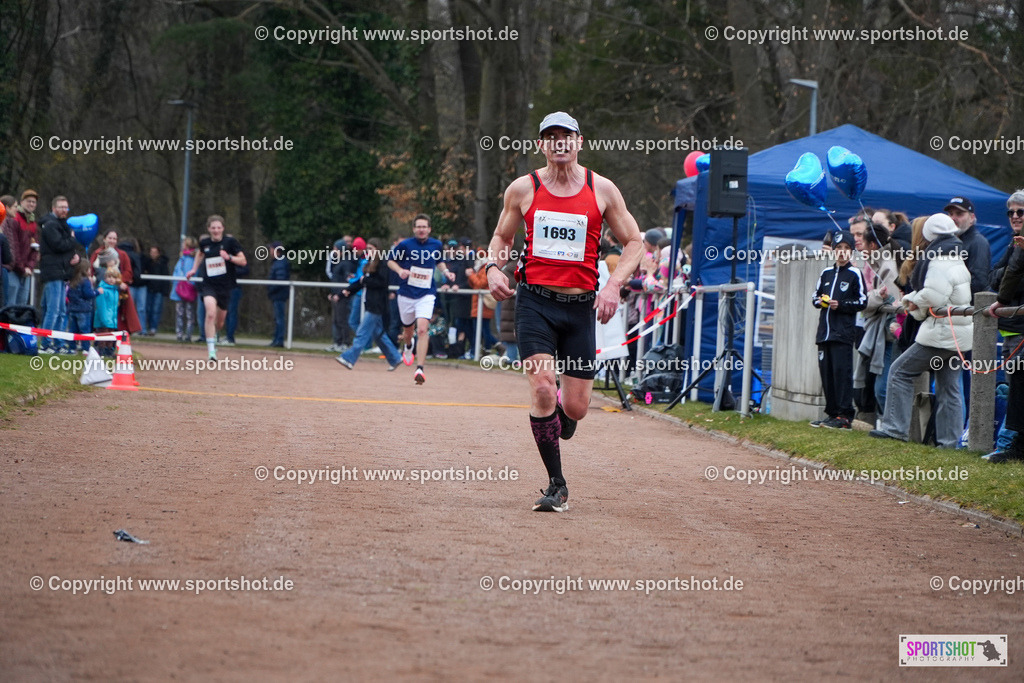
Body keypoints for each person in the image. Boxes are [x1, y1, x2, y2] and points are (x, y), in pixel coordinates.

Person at [485, 111, 643, 512]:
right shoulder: (524, 188)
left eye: (566, 136)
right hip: (535, 302)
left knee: (576, 408)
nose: (559, 143)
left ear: (579, 141)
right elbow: (502, 236)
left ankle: (562, 412)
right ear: (541, 144)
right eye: (550, 136)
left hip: (579, 308)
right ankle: (557, 485)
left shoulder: (602, 189)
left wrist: (612, 284)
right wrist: (491, 268)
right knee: (540, 387)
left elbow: (635, 243)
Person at [870, 214, 973, 447]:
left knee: (899, 371)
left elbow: (933, 296)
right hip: (958, 335)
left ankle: (895, 429)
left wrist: (909, 301)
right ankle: (949, 444)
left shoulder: (938, 259)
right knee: (950, 389)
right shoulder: (957, 257)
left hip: (941, 334)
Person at [388, 213, 456, 384]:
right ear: (414, 229)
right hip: (406, 294)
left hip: (426, 294)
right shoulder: (405, 245)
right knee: (408, 331)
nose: (421, 229)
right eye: (418, 226)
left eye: (424, 226)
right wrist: (400, 271)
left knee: (423, 329)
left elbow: (439, 261)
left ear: (429, 229)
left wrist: (446, 272)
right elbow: (390, 261)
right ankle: (408, 346)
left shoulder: (436, 244)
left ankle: (420, 369)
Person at [810, 232, 868, 429]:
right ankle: (832, 413)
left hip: (842, 333)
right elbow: (814, 297)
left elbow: (862, 301)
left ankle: (845, 415)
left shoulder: (855, 274)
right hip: (824, 332)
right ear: (833, 250)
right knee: (827, 374)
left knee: (842, 373)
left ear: (851, 251)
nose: (842, 252)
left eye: (846, 248)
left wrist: (840, 304)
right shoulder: (826, 273)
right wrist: (820, 301)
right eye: (839, 248)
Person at [983, 190, 1024, 460]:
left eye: (1021, 211)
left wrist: (1004, 291)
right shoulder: (1015, 243)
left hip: (1020, 328)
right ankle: (1013, 446)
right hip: (1009, 329)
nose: (1015, 216)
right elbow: (995, 276)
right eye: (1011, 212)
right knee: (1015, 386)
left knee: (1019, 385)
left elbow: (1013, 277)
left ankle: (1012, 447)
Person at [185, 215, 247, 360]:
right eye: (213, 228)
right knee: (210, 312)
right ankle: (211, 351)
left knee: (219, 322)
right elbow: (200, 254)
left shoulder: (230, 242)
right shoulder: (205, 243)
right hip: (209, 284)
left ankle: (215, 334)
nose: (216, 230)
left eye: (219, 227)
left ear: (223, 229)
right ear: (209, 229)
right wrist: (194, 269)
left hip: (225, 286)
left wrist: (229, 258)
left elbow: (243, 261)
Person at [335, 238, 402, 370]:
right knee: (378, 334)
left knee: (362, 332)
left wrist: (365, 280)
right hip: (370, 303)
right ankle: (395, 358)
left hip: (376, 305)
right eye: (368, 249)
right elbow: (360, 282)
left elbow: (381, 283)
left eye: (371, 249)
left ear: (378, 249)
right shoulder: (368, 264)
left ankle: (349, 358)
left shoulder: (383, 264)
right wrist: (344, 293)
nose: (368, 251)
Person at [38, 196, 81, 353]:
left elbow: (67, 249)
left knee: (62, 311)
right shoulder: (50, 225)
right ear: (54, 208)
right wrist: (72, 240)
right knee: (53, 310)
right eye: (61, 207)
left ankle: (59, 343)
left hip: (63, 273)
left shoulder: (64, 226)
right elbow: (59, 245)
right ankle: (45, 344)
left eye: (66, 208)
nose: (64, 210)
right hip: (53, 273)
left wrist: (77, 257)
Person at [89, 229, 143, 336]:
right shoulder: (97, 253)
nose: (112, 241)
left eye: (114, 238)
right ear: (104, 239)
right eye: (110, 238)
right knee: (100, 314)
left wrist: (118, 280)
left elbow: (128, 272)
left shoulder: (122, 255)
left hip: (116, 291)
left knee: (114, 315)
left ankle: (112, 341)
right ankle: (100, 341)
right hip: (101, 290)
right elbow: (91, 270)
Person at [944, 196, 991, 298]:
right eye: (951, 214)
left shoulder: (978, 242)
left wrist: (948, 289)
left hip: (968, 308)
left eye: (959, 214)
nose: (953, 218)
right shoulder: (951, 242)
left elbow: (979, 282)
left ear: (972, 217)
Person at [5, 190, 40, 307]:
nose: (31, 204)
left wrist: (30, 266)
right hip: (15, 270)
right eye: (29, 201)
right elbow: (13, 246)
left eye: (34, 202)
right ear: (21, 202)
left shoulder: (33, 223)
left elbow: (35, 247)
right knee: (10, 304)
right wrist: (21, 268)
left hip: (27, 271)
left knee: (23, 305)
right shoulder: (14, 220)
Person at [326, 238, 355, 352]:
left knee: (342, 320)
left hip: (342, 296)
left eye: (335, 249)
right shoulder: (338, 262)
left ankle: (346, 343)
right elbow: (335, 279)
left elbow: (347, 282)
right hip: (336, 295)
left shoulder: (346, 263)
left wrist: (340, 294)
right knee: (336, 320)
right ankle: (337, 342)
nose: (334, 251)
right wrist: (332, 293)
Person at [66, 258, 98, 353]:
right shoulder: (86, 281)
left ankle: (72, 347)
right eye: (89, 269)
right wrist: (96, 292)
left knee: (73, 329)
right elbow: (88, 294)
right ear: (85, 270)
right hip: (84, 310)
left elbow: (69, 294)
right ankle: (86, 348)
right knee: (84, 330)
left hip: (72, 309)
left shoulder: (72, 281)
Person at [170, 237, 198, 342]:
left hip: (188, 290)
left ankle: (187, 335)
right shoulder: (182, 258)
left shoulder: (192, 259)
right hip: (179, 290)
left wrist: (190, 284)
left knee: (188, 314)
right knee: (180, 313)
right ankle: (180, 334)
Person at [266, 241, 291, 347]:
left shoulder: (280, 262)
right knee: (277, 318)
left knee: (279, 318)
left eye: (271, 249)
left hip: (279, 294)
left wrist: (271, 289)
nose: (270, 251)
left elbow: (280, 280)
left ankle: (279, 340)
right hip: (277, 294)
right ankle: (276, 339)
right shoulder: (278, 262)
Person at [93, 266, 121, 357]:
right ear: (105, 278)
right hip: (104, 320)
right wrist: (104, 319)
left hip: (112, 320)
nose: (111, 279)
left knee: (111, 336)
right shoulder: (103, 290)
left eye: (113, 277)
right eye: (109, 277)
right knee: (103, 336)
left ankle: (109, 350)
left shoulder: (115, 291)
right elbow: (101, 306)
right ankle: (101, 350)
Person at [142, 245, 170, 335]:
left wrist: (165, 290)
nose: (153, 254)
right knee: (148, 309)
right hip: (149, 289)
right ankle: (148, 327)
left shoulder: (163, 263)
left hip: (159, 290)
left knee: (156, 310)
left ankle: (153, 327)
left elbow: (166, 277)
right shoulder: (147, 263)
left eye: (155, 252)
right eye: (151, 252)